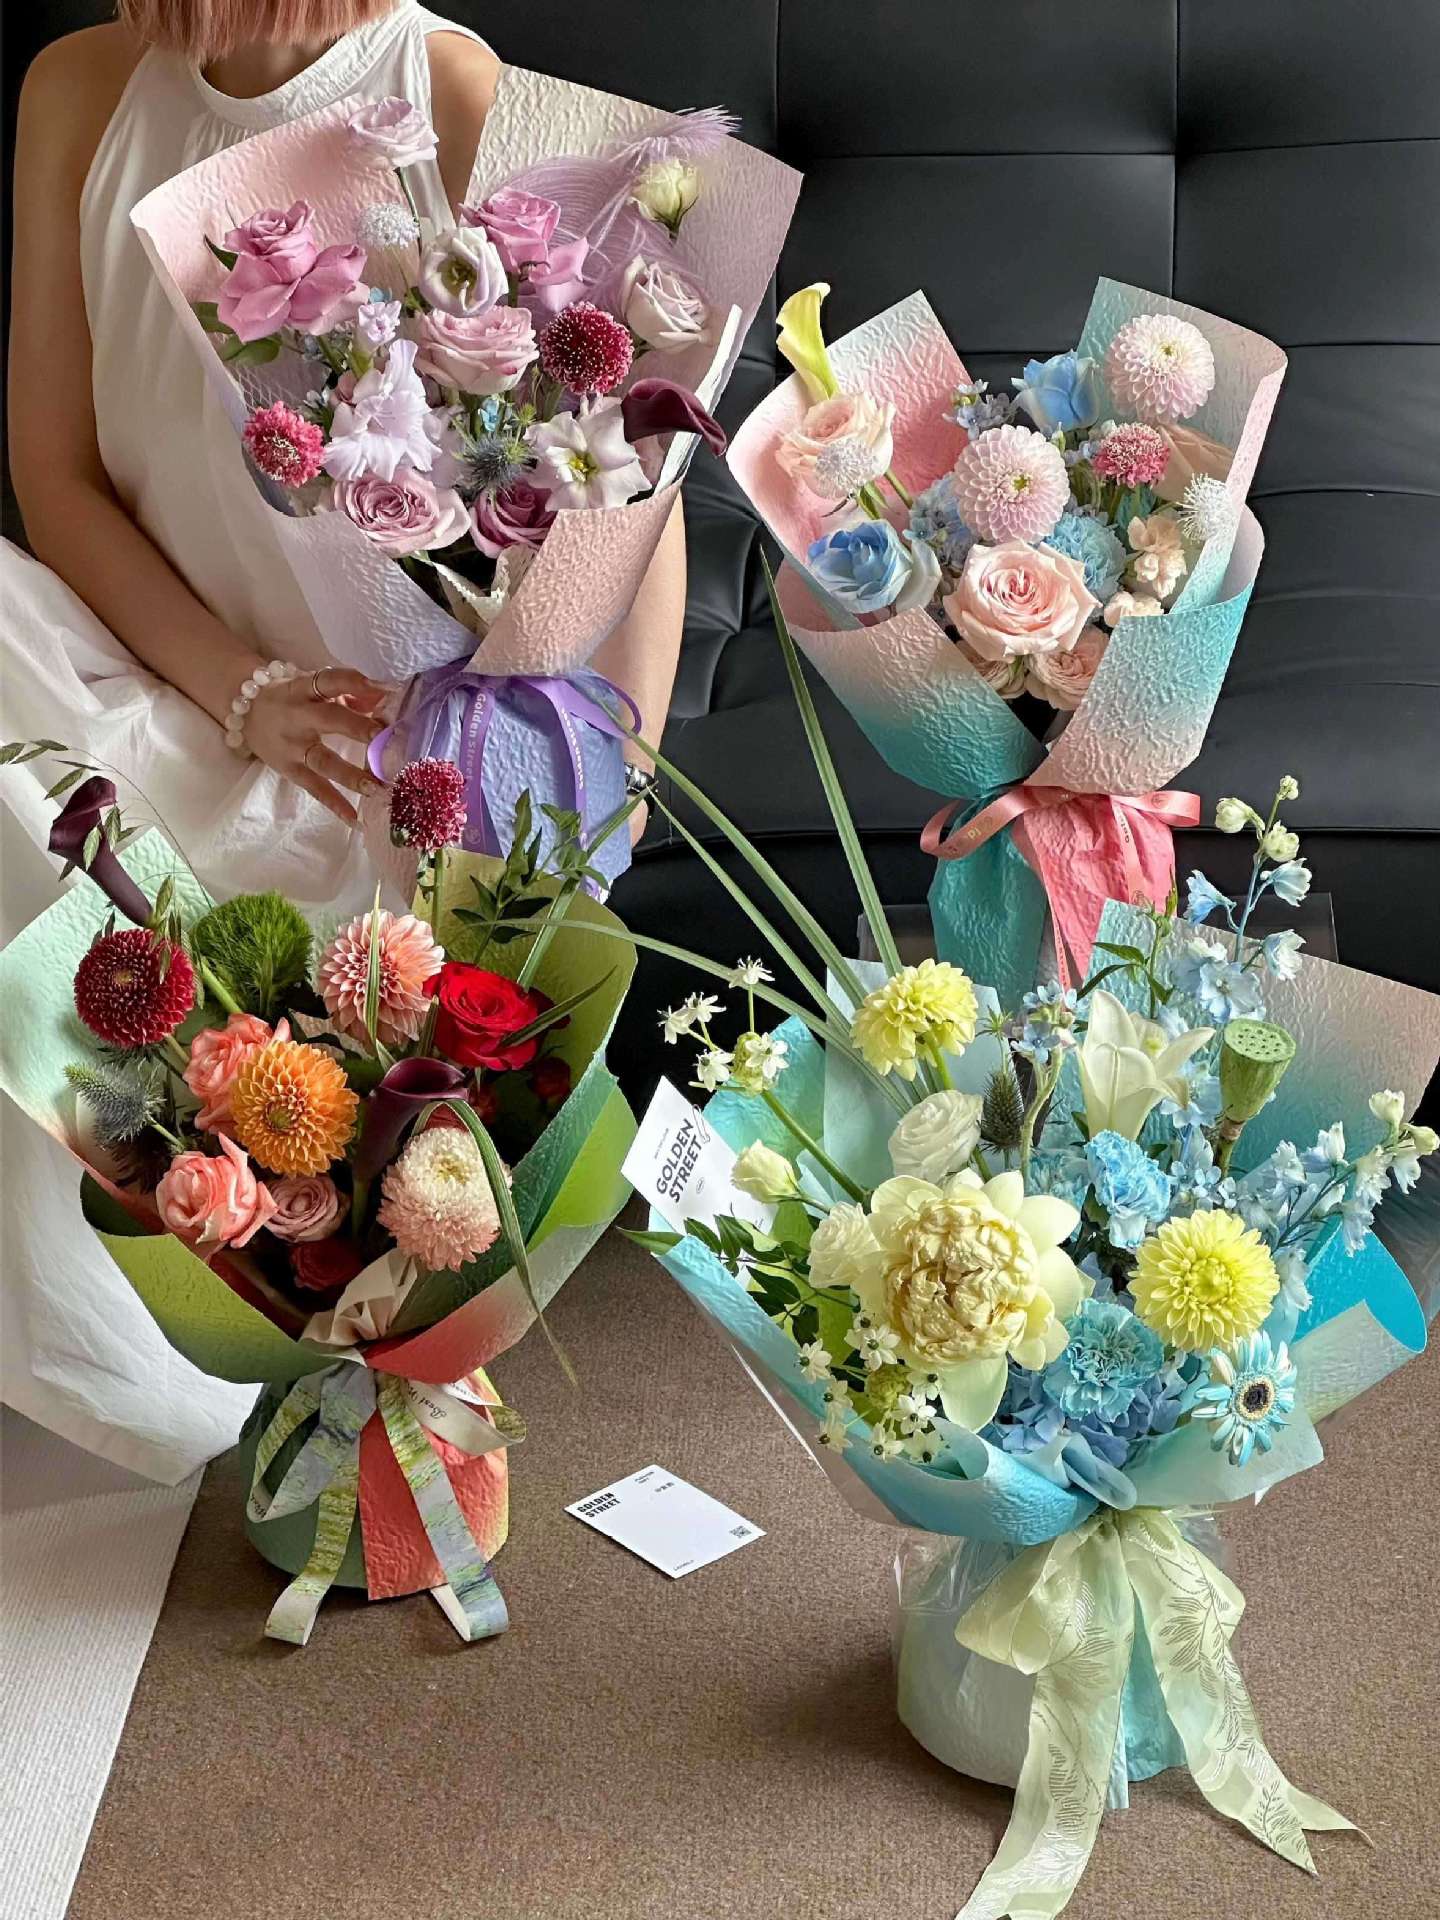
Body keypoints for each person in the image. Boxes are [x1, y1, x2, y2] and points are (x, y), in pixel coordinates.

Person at [1, 0, 686, 1479]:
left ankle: (333, 1375)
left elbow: (625, 474)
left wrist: (603, 794)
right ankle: (141, 1349)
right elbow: (55, 476)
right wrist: (240, 690)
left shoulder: (443, 86)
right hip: (178, 690)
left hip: (392, 773)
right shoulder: (78, 91)